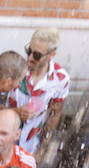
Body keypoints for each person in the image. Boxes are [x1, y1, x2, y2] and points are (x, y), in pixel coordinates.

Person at [8, 27, 70, 157]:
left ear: (51, 55)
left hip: (30, 146)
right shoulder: (15, 68)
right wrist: (17, 111)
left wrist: (43, 148)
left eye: (36, 55)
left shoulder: (60, 79)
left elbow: (55, 114)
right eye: (28, 50)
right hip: (5, 140)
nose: (30, 58)